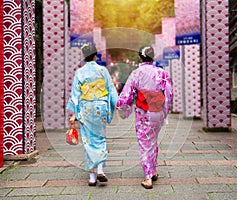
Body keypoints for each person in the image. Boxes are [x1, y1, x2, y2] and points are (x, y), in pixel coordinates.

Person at [116, 45, 173, 189]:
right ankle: (153, 171)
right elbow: (169, 94)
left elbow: (127, 93)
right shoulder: (161, 73)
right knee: (152, 140)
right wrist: (165, 111)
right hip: (157, 111)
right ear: (152, 57)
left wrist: (122, 107)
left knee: (145, 143)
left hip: (143, 112)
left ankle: (148, 177)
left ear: (140, 57)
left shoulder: (137, 73)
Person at [66, 44, 118, 186]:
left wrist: (74, 114)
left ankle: (92, 177)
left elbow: (76, 95)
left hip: (86, 107)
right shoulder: (103, 71)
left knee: (88, 140)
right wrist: (118, 104)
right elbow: (111, 89)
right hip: (100, 107)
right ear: (96, 55)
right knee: (100, 138)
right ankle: (100, 169)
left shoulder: (80, 73)